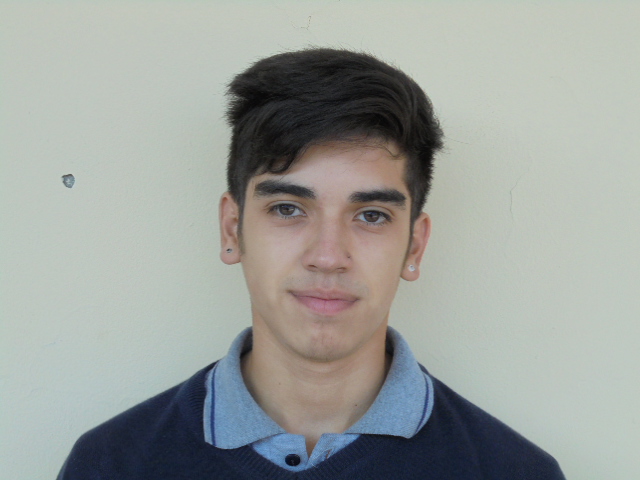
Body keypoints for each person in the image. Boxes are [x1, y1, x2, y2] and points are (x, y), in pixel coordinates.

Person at [57, 48, 565, 479]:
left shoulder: (515, 471)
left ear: (414, 246)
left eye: (371, 215)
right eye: (288, 209)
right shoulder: (109, 465)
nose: (327, 256)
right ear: (232, 229)